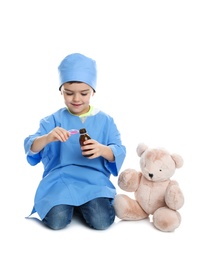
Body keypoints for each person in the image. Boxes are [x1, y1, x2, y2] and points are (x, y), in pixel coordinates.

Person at [24, 53, 126, 230]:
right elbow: (31, 146)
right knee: (56, 221)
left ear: (93, 91)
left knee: (101, 221)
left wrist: (102, 150)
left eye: (84, 93)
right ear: (61, 91)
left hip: (94, 182)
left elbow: (118, 149)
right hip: (60, 180)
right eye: (69, 93)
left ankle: (80, 204)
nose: (76, 99)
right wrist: (48, 138)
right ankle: (69, 204)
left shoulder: (106, 121)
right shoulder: (52, 120)